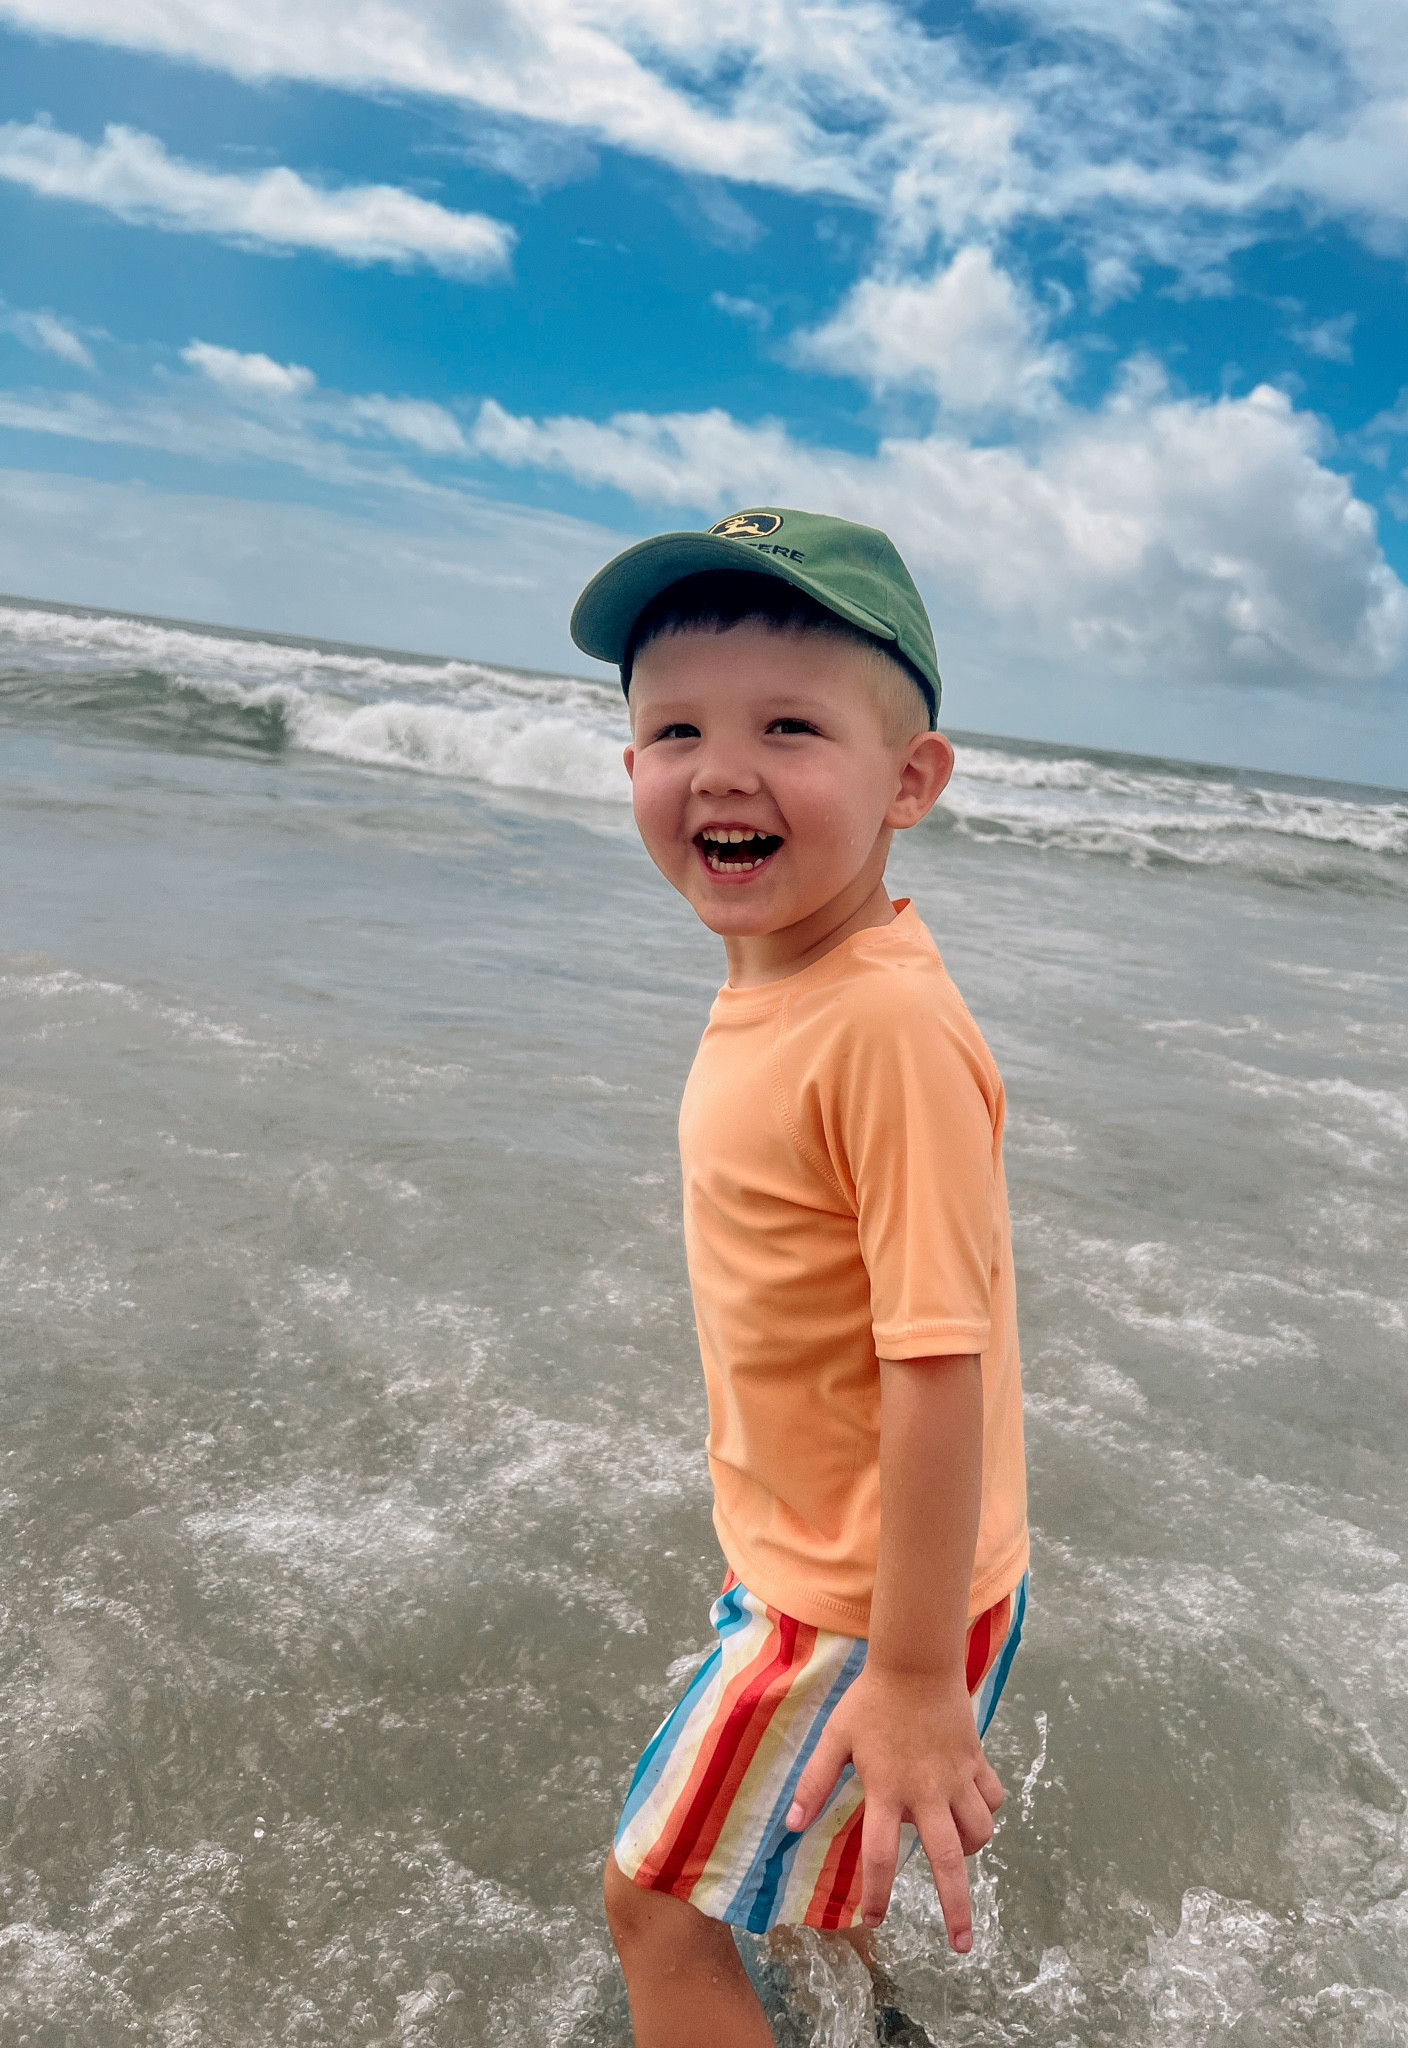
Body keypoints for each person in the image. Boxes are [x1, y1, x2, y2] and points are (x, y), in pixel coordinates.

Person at [569, 508, 1029, 2045]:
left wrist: (905, 1675)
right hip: (843, 1566)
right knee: (810, 1888)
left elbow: (936, 1357)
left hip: (857, 1604)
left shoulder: (881, 1025)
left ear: (911, 782)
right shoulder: (794, 979)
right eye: (675, 726)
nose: (722, 768)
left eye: (789, 727)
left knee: (659, 1906)